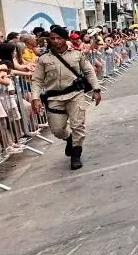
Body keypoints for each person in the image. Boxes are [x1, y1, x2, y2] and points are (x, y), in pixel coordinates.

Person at [30, 25, 101, 170]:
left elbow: (89, 71)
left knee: (77, 125)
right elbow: (36, 80)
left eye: (58, 38)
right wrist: (35, 98)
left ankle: (76, 154)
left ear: (65, 39)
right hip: (54, 98)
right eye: (52, 38)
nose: (55, 41)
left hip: (75, 95)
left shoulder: (77, 54)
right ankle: (69, 138)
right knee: (57, 129)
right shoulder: (43, 59)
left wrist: (96, 89)